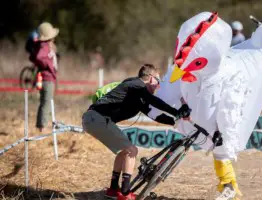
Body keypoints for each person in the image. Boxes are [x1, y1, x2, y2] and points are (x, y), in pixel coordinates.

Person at [82, 64, 191, 200]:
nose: (158, 86)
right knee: (132, 151)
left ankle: (113, 190)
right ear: (151, 78)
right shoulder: (135, 84)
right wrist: (176, 112)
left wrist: (174, 121)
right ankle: (126, 193)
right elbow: (154, 101)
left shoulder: (138, 96)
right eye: (158, 81)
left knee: (124, 151)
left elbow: (154, 115)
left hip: (94, 119)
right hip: (97, 118)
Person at [32, 22, 59, 132]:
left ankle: (44, 123)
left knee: (48, 101)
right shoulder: (44, 47)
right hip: (46, 79)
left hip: (49, 78)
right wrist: (47, 65)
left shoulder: (48, 46)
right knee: (46, 101)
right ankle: (42, 126)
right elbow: (39, 57)